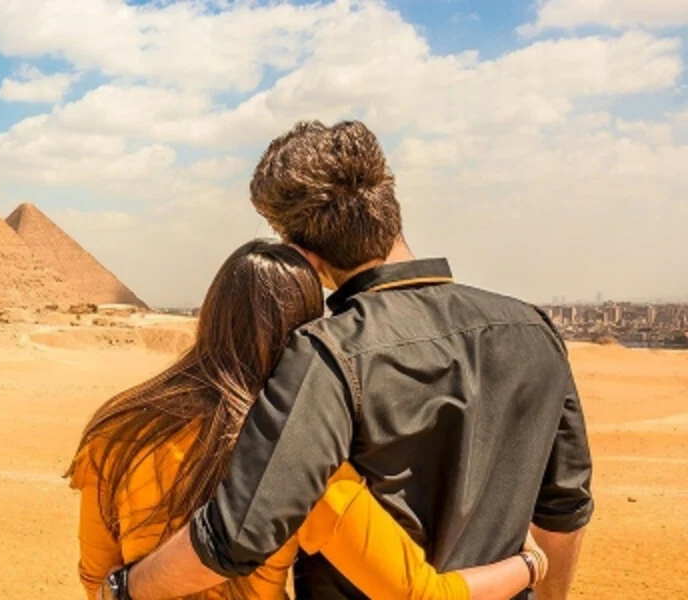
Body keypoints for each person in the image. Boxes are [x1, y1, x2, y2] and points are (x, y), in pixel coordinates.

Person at [98, 121, 593, 600]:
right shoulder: (533, 330)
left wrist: (125, 589)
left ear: (302, 255)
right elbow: (563, 510)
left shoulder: (327, 352)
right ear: (391, 209)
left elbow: (241, 531)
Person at [73, 240, 549, 600]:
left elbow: (97, 579)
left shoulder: (116, 431)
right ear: (305, 328)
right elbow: (421, 594)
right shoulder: (294, 457)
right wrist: (530, 563)